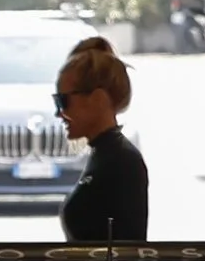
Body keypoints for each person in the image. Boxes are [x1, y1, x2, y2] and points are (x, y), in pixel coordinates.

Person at [57, 36, 149, 244]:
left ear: (98, 99)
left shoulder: (122, 161)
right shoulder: (108, 155)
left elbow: (128, 250)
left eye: (64, 101)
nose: (60, 113)